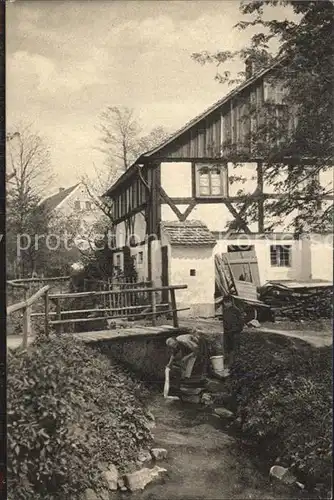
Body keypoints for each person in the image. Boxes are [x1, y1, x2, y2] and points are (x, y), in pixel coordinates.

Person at [222, 296, 244, 367]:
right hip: (227, 332)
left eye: (228, 302)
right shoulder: (225, 311)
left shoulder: (236, 310)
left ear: (231, 302)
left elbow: (241, 322)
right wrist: (225, 330)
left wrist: (237, 329)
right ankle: (227, 363)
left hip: (235, 332)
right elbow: (224, 322)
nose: (226, 304)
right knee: (227, 347)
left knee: (234, 348)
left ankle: (233, 364)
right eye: (225, 303)